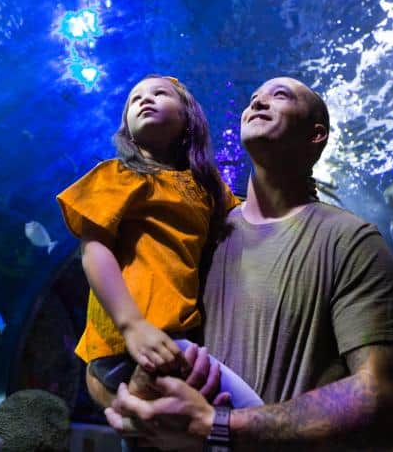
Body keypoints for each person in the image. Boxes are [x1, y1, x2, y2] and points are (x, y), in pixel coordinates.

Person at [104, 76, 393, 451]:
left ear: (316, 135)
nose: (257, 103)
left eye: (280, 96)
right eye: (253, 98)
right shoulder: (200, 236)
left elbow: (391, 402)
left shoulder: (350, 241)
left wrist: (219, 425)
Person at [56, 75, 262, 410]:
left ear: (188, 117)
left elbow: (249, 217)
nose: (145, 99)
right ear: (126, 128)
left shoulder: (207, 188)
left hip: (176, 337)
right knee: (248, 410)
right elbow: (94, 250)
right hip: (131, 341)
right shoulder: (116, 176)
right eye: (135, 99)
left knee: (161, 433)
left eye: (160, 93)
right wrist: (132, 324)